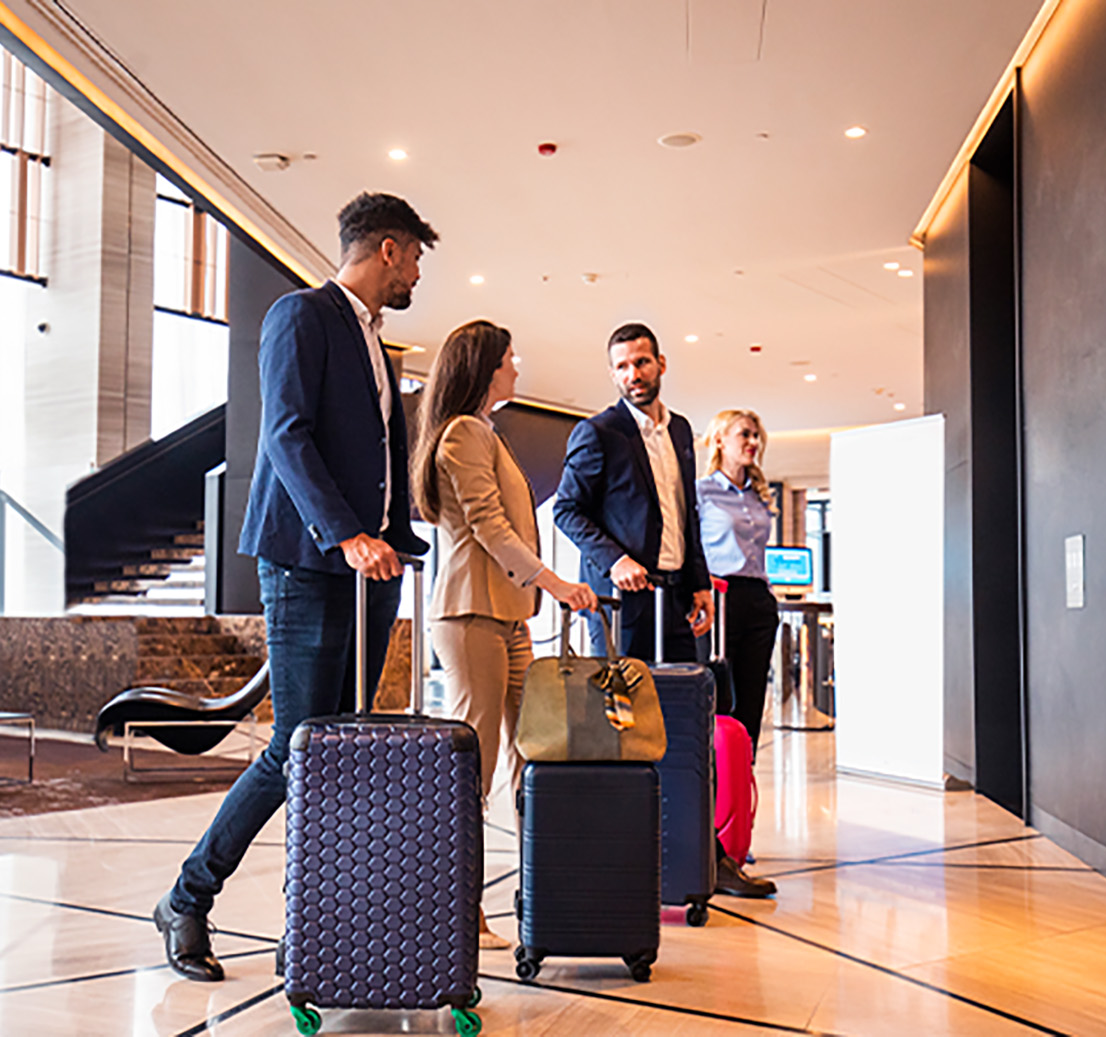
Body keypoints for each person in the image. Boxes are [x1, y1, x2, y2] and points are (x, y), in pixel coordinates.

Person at [153, 192, 436, 982]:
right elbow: (284, 431)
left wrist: (390, 539)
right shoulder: (301, 315)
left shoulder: (379, 344)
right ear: (387, 248)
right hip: (313, 561)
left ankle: (312, 921)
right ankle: (187, 897)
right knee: (298, 748)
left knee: (340, 750)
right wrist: (345, 533)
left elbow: (375, 456)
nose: (416, 272)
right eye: (414, 257)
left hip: (369, 569)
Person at [554, 323, 776, 899]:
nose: (633, 374)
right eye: (622, 366)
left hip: (677, 599)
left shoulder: (678, 430)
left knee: (688, 729)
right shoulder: (597, 432)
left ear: (661, 364)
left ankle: (704, 859)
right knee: (623, 734)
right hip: (624, 606)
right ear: (613, 374)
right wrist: (615, 559)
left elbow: (685, 517)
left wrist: (700, 583)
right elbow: (568, 512)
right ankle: (624, 865)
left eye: (642, 363)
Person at [413, 319, 599, 949]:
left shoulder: (484, 431)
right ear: (485, 367)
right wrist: (556, 584)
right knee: (475, 763)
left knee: (535, 756)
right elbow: (490, 527)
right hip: (471, 617)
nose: (517, 367)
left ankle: (543, 891)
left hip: (509, 619)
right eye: (510, 359)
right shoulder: (464, 432)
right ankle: (456, 912)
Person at [696, 409, 780, 749]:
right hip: (720, 597)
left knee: (752, 694)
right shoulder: (700, 492)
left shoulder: (758, 494)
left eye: (756, 435)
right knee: (717, 692)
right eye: (744, 434)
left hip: (759, 598)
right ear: (719, 440)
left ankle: (744, 771)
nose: (753, 442)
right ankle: (713, 775)